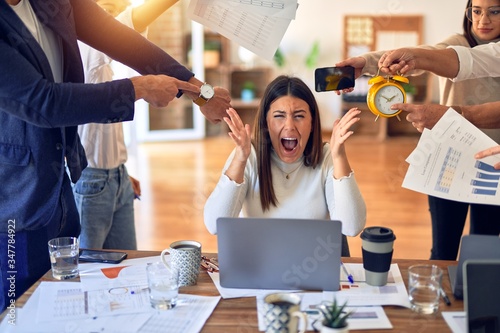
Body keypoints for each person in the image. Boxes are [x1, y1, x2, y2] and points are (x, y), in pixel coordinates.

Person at [0, 0, 231, 312]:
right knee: (16, 313)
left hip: (60, 185)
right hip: (15, 202)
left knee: (60, 301)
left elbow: (121, 38)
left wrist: (200, 93)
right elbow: (44, 103)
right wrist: (138, 89)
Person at [337, 0, 500, 260]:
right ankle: (437, 296)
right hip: (449, 160)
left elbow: (456, 60)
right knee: (442, 250)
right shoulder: (455, 43)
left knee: (484, 250)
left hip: (493, 163)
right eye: (476, 11)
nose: (483, 20)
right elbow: (419, 55)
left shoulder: (479, 54)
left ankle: (475, 298)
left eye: (494, 11)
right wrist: (366, 62)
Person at [204, 76, 367, 256]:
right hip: (260, 265)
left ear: (312, 123)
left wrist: (339, 156)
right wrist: (240, 159)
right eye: (279, 116)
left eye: (299, 116)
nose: (289, 126)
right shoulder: (247, 155)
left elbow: (352, 227)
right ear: (266, 123)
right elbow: (214, 225)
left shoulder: (328, 156)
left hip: (312, 267)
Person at [74, 0, 179, 251]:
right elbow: (130, 23)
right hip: (91, 181)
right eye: (104, 10)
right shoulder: (84, 46)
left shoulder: (105, 66)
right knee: (89, 272)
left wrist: (119, 173)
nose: (112, 17)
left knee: (126, 264)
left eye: (116, 9)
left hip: (116, 176)